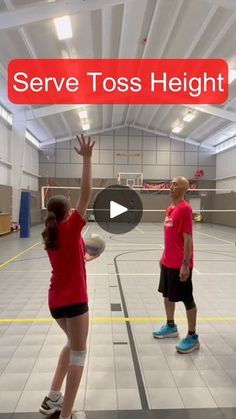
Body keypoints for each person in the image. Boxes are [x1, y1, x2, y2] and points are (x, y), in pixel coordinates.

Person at [40, 135, 95, 419]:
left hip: (56, 303)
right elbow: (87, 193)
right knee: (79, 354)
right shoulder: (72, 228)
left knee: (71, 345)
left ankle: (52, 398)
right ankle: (67, 413)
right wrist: (86, 159)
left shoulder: (51, 234)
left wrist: (86, 258)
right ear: (67, 209)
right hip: (74, 302)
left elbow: (67, 263)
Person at [153, 176, 200, 354]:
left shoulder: (185, 209)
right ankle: (171, 326)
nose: (171, 187)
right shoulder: (170, 209)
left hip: (180, 264)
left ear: (184, 190)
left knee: (187, 299)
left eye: (175, 185)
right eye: (171, 184)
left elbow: (188, 240)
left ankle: (192, 336)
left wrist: (185, 264)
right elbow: (170, 238)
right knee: (166, 296)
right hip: (167, 263)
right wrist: (163, 256)